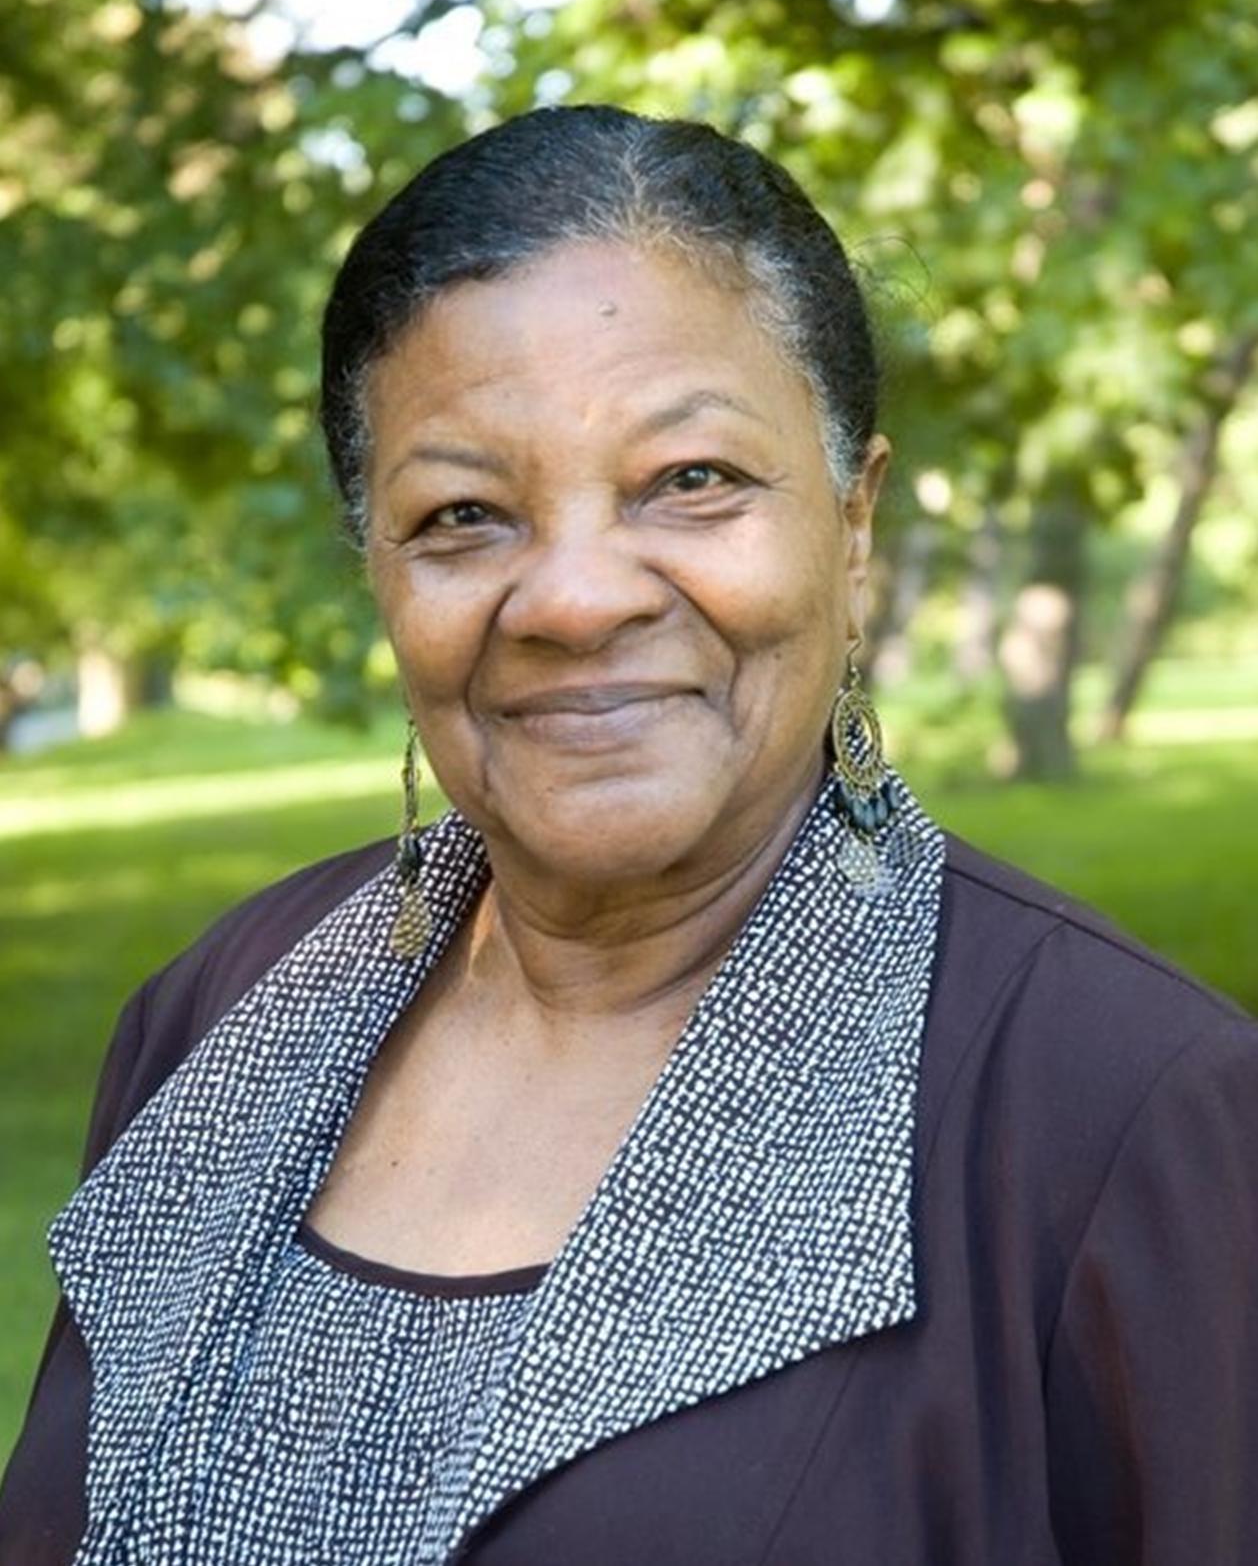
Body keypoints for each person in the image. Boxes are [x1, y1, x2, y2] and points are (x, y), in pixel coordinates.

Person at [1, 105, 1255, 1566]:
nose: (576, 598)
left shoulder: (1127, 1116)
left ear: (852, 521)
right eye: (464, 511)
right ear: (377, 568)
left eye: (691, 481)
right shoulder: (219, 1012)